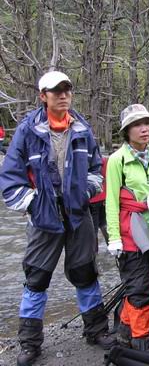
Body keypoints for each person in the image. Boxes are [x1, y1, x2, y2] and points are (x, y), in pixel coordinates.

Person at [0, 71, 114, 366]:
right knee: (36, 278)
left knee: (85, 271)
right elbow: (10, 179)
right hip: (44, 218)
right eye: (56, 91)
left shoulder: (83, 128)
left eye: (67, 90)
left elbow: (96, 169)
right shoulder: (27, 131)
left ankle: (96, 330)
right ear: (43, 96)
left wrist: (85, 193)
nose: (63, 95)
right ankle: (29, 343)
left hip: (78, 213)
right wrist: (34, 205)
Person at [105, 104, 149, 351]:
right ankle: (142, 340)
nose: (144, 129)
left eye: (146, 123)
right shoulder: (117, 160)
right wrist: (114, 238)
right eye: (136, 125)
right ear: (126, 131)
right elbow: (112, 202)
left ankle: (125, 331)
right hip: (130, 231)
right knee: (140, 287)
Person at [89, 156, 109, 248]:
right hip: (103, 196)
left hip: (92, 198)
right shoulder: (104, 160)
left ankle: (94, 251)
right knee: (104, 224)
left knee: (93, 227)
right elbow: (106, 177)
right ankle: (111, 245)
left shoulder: (87, 159)